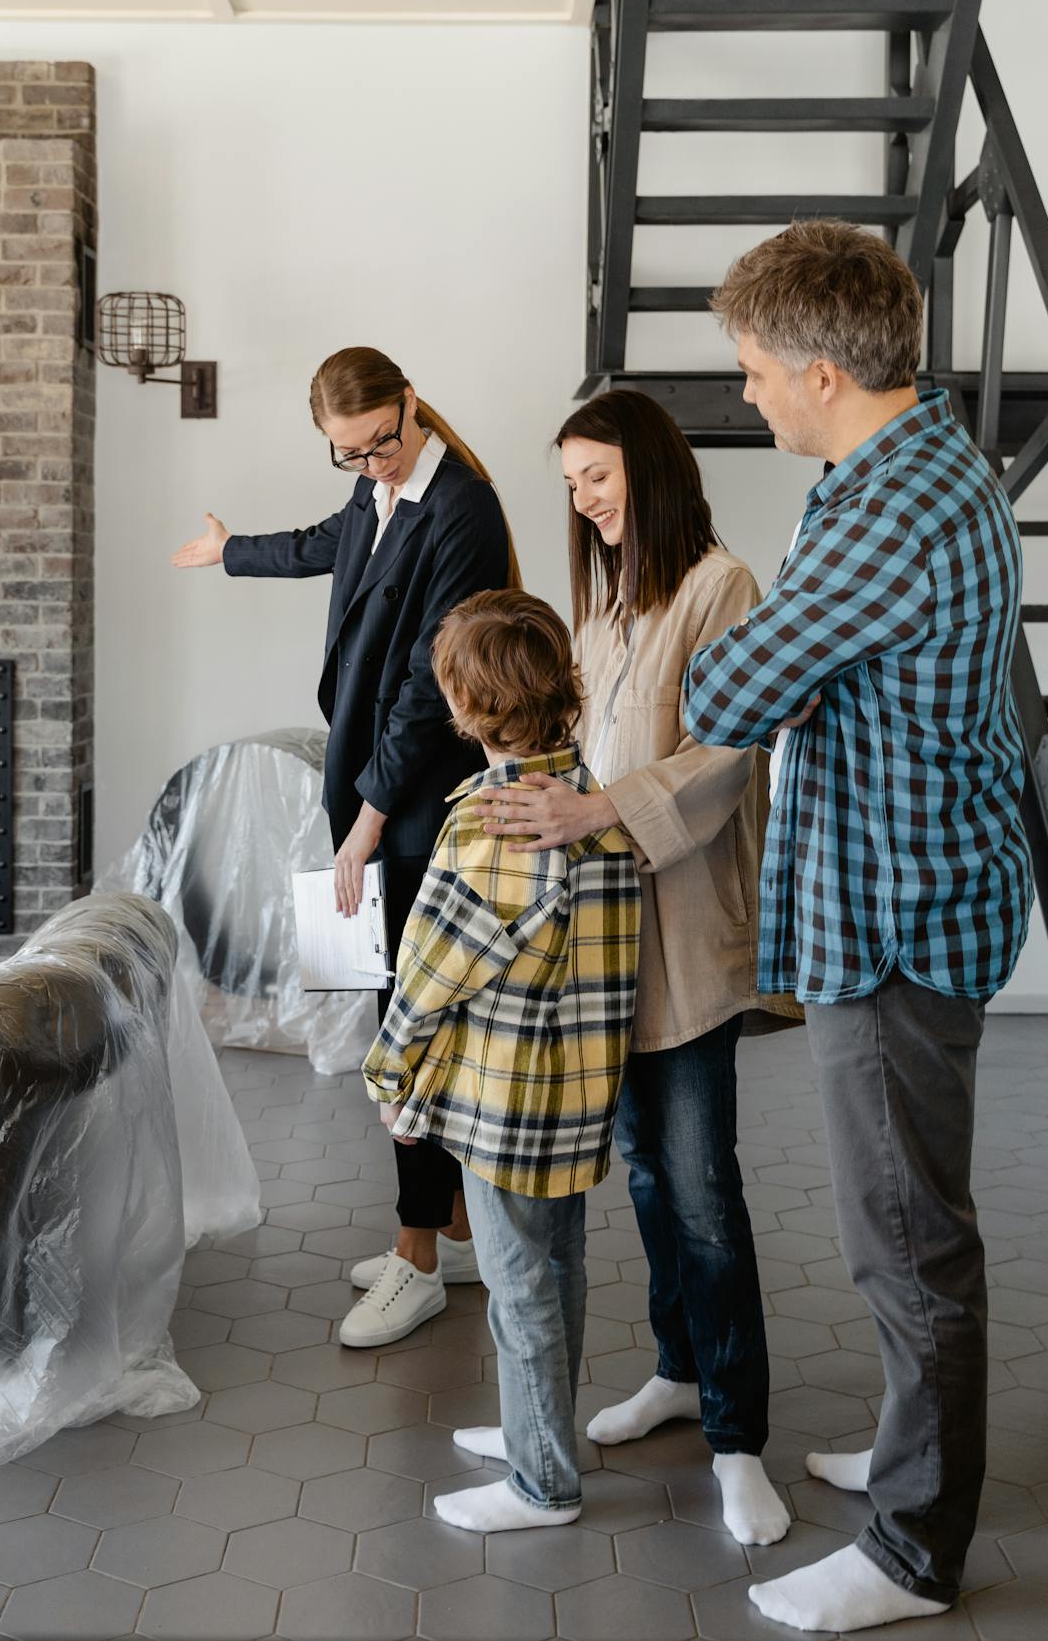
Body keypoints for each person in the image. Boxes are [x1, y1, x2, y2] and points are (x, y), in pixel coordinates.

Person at [684, 220, 1032, 1635]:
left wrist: (782, 674)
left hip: (893, 920)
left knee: (909, 1243)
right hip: (898, 892)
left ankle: (911, 1551)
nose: (748, 393)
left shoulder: (891, 511)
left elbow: (726, 690)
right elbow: (789, 676)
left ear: (823, 370)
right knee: (909, 1229)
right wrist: (798, 675)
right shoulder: (891, 467)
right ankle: (911, 1458)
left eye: (757, 370)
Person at [475, 390, 791, 1548]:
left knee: (705, 1195)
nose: (584, 500)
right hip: (607, 948)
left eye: (597, 476)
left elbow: (724, 756)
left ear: (649, 469)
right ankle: (673, 1371)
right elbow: (580, 749)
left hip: (689, 938)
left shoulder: (723, 588)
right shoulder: (605, 606)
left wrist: (596, 808)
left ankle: (738, 1439)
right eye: (570, 484)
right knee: (650, 1177)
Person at [172, 348, 517, 1347]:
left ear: (412, 405)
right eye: (349, 454)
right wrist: (231, 551)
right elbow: (326, 539)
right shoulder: (381, 494)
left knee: (406, 1028)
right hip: (363, 785)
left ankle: (415, 1257)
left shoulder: (463, 513)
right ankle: (449, 1231)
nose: (369, 464)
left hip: (405, 799)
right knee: (379, 1007)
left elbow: (427, 688)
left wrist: (367, 821)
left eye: (380, 443)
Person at [362, 589, 641, 1533]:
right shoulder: (590, 804)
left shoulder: (489, 825)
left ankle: (542, 1484)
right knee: (559, 1267)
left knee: (519, 1287)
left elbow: (431, 973)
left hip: (503, 1105)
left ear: (466, 710)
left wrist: (389, 1077)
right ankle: (539, 1432)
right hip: (579, 1095)